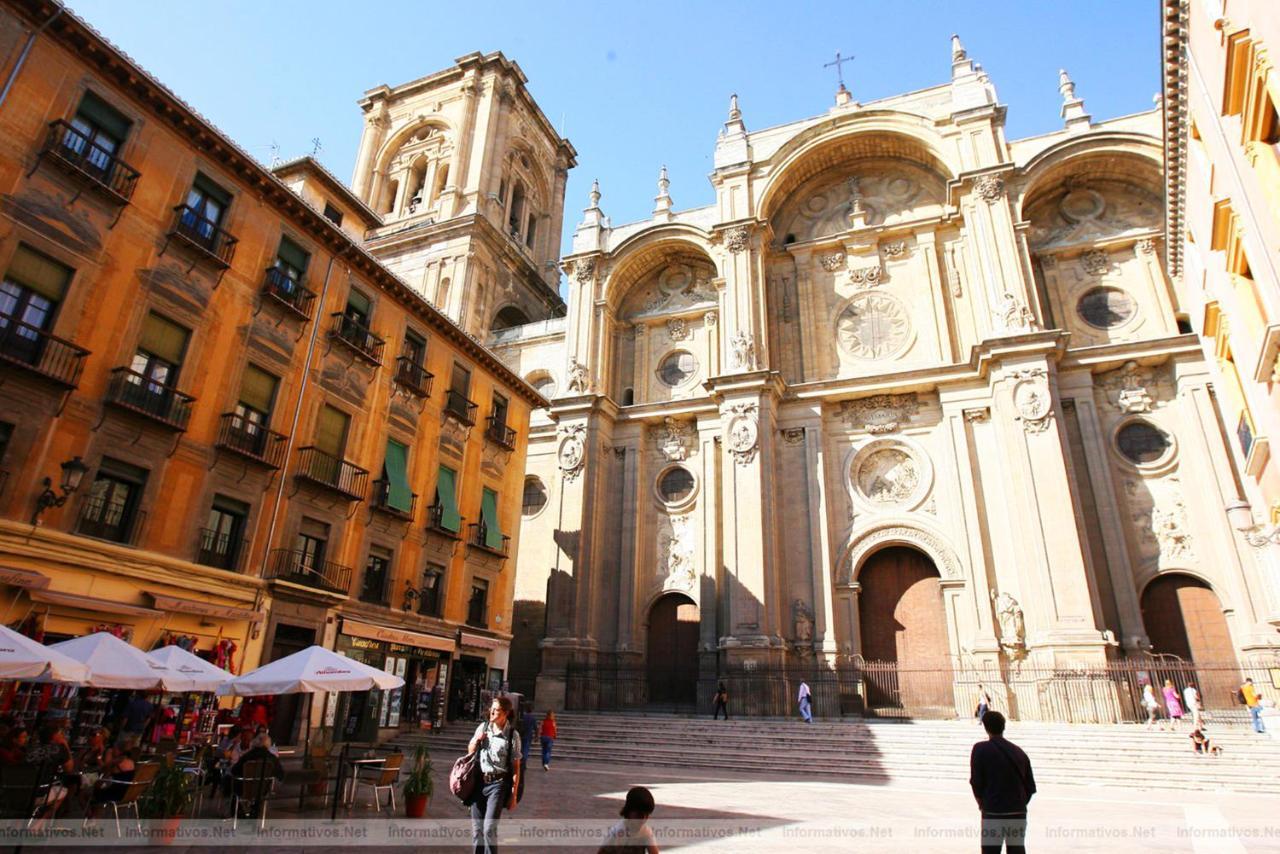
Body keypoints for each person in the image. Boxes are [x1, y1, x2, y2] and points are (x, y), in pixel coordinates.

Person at [970, 711, 1035, 854]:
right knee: (1017, 850)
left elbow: (976, 782)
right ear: (1003, 726)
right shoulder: (1019, 752)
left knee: (990, 851)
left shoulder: (980, 749)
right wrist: (1018, 803)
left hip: (993, 811)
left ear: (986, 727)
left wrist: (982, 803)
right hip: (1017, 811)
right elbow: (1030, 787)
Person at [467, 696, 521, 854]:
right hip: (478, 782)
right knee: (477, 830)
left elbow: (516, 767)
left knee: (489, 828)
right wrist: (477, 741)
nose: (492, 712)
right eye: (492, 708)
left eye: (496, 710)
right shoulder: (483, 728)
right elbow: (470, 751)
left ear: (505, 713)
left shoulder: (512, 735)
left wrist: (514, 794)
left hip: (498, 784)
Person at [229, 734, 285, 818]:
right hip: (264, 790)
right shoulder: (272, 759)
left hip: (244, 789)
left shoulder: (247, 756)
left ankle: (238, 813)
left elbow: (234, 771)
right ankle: (255, 811)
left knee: (232, 783)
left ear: (254, 743)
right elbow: (281, 774)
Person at [599, 785, 660, 854]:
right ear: (629, 811)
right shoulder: (617, 833)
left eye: (647, 815)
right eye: (639, 815)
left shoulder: (646, 832)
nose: (643, 819)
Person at [518, 705, 536, 769]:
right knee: (526, 749)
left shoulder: (523, 717)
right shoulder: (533, 718)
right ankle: (523, 763)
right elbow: (535, 727)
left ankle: (521, 762)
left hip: (522, 734)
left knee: (521, 749)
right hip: (528, 735)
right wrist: (536, 736)